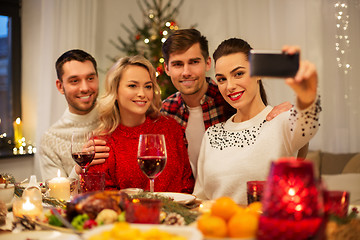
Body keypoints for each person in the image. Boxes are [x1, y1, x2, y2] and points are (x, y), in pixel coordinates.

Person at [160, 29, 306, 176]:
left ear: (207, 63)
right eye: (178, 64)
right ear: (166, 68)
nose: (186, 72)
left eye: (194, 62)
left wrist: (296, 117)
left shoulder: (229, 97)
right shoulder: (165, 111)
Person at [193, 38, 321, 204]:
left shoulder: (281, 121)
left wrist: (307, 96)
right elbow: (200, 198)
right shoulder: (212, 134)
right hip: (217, 226)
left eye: (238, 74)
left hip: (266, 227)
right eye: (222, 79)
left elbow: (309, 124)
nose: (229, 86)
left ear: (258, 73)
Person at [82, 55, 194, 193]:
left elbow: (187, 183)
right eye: (132, 86)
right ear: (115, 91)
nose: (142, 93)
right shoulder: (102, 143)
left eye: (148, 86)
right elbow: (100, 198)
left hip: (178, 213)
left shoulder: (170, 128)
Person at [38, 49, 105, 180]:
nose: (85, 88)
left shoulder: (116, 117)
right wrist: (79, 169)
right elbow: (57, 198)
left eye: (90, 78)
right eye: (75, 81)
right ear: (60, 86)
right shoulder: (50, 140)